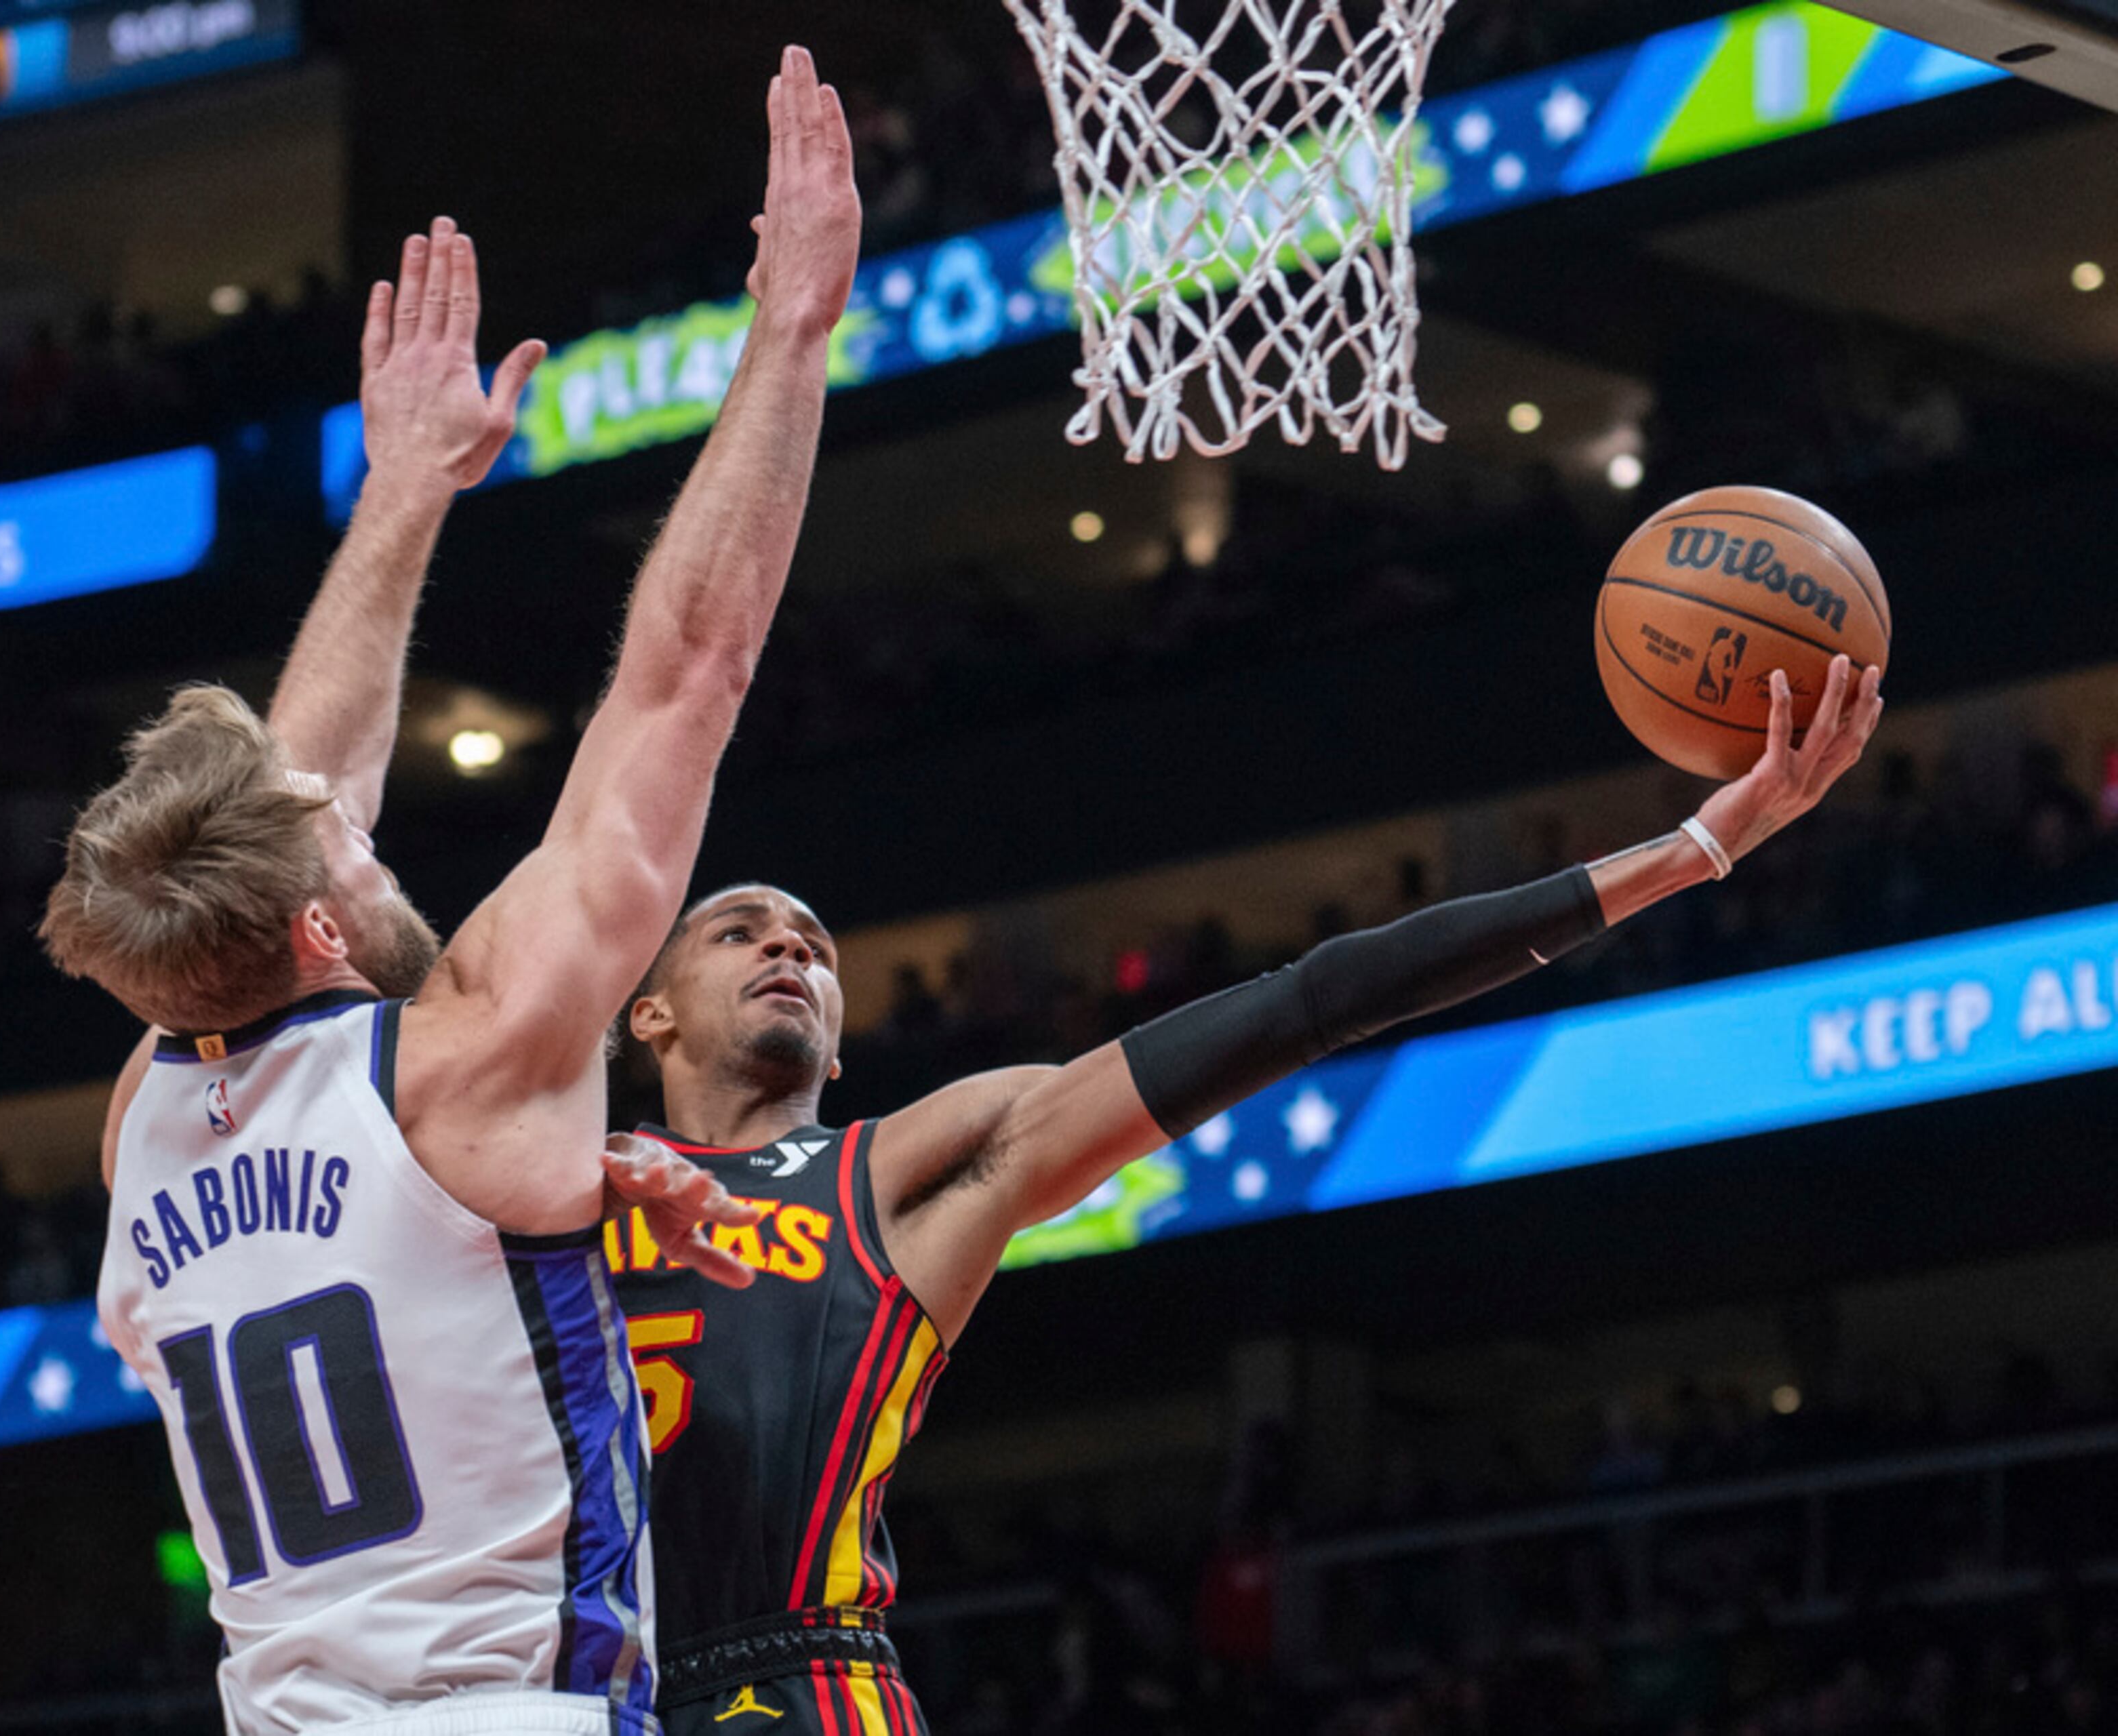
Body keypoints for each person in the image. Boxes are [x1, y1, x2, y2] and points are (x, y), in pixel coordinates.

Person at [43, 49, 862, 1736]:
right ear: (318, 932)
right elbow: (684, 678)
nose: (364, 818)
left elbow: (298, 802)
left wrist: (406, 493)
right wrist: (787, 338)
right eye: (344, 842)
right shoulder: (470, 1052)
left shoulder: (144, 1115)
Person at [609, 659, 1886, 1734]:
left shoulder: (902, 1172)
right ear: (645, 1013)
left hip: (798, 1680)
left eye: (816, 947)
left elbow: (1305, 1005)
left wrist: (1693, 848)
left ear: (838, 1047)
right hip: (554, 1689)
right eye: (741, 931)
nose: (789, 946)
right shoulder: (549, 1180)